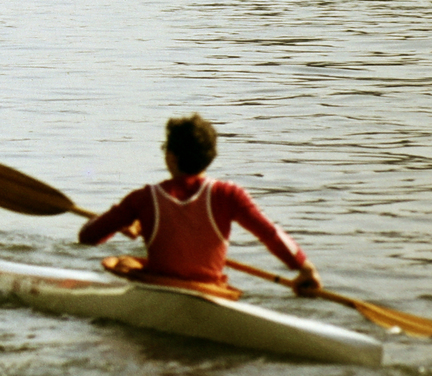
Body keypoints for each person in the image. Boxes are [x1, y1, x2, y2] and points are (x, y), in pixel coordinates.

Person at [78, 114, 321, 294]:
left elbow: (88, 237)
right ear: (210, 157)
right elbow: (270, 234)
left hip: (158, 288)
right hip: (210, 291)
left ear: (170, 157)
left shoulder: (143, 198)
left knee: (123, 262)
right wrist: (304, 267)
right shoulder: (229, 195)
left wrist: (112, 223)